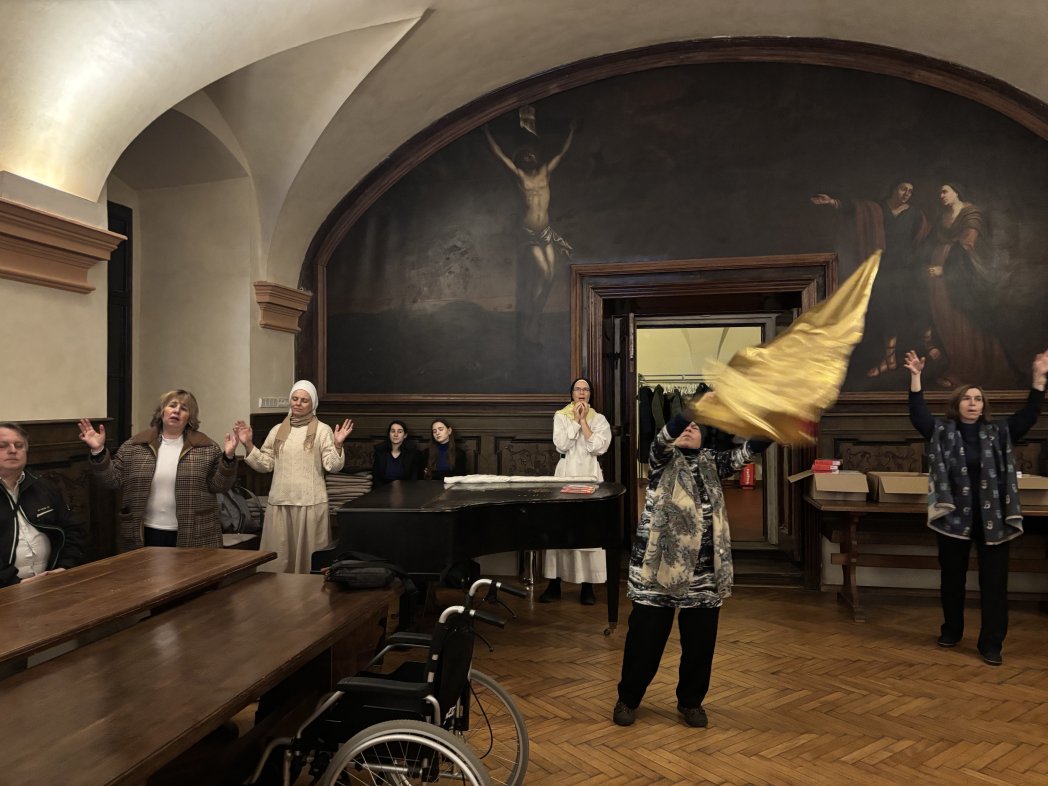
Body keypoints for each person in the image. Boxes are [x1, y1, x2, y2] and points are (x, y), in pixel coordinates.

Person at [613, 404, 770, 728]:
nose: (688, 429)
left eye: (695, 427)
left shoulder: (714, 461)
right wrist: (693, 410)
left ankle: (691, 702)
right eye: (684, 426)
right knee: (644, 642)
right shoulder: (661, 459)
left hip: (704, 574)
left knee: (700, 645)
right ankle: (628, 698)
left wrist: (780, 424)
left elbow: (750, 449)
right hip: (658, 572)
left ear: (704, 438)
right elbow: (665, 435)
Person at [904, 348, 1046, 666]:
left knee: (994, 583)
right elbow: (918, 416)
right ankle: (952, 630)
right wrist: (916, 377)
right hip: (954, 517)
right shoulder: (943, 432)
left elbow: (1029, 415)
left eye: (978, 399)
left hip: (994, 518)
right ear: (957, 404)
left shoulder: (998, 432)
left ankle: (991, 644)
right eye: (967, 398)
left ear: (984, 406)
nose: (972, 403)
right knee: (952, 578)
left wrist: (1039, 380)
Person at [78, 390, 238, 550]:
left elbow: (219, 486)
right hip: (144, 531)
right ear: (162, 411)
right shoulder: (135, 445)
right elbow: (112, 480)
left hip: (194, 533)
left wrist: (229, 458)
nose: (176, 411)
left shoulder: (206, 447)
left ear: (190, 417)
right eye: (172, 405)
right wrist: (98, 451)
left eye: (184, 408)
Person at [811, 180, 931, 379]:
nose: (907, 193)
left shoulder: (915, 214)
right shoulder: (877, 209)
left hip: (906, 270)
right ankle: (888, 359)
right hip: (881, 267)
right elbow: (856, 210)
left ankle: (904, 355)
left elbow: (925, 238)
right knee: (882, 311)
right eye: (903, 189)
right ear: (894, 188)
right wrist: (833, 202)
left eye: (910, 191)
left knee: (906, 308)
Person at [234, 381, 352, 573]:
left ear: (313, 404)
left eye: (304, 400)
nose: (297, 403)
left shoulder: (322, 430)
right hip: (280, 503)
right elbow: (265, 464)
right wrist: (248, 444)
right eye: (295, 399)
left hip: (310, 504)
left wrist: (338, 445)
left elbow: (333, 465)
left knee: (309, 562)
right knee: (278, 563)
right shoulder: (277, 430)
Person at [484, 122, 575, 344]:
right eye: (524, 156)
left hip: (545, 231)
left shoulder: (545, 172)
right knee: (543, 271)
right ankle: (531, 319)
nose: (528, 158)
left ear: (536, 157)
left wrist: (572, 131)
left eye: (531, 155)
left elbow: (562, 153)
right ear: (520, 160)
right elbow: (499, 155)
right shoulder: (520, 176)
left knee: (550, 276)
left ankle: (535, 315)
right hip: (529, 233)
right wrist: (486, 132)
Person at [923, 182, 1014, 388]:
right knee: (948, 322)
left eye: (945, 191)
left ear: (957, 191)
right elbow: (929, 244)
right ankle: (957, 366)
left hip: (964, 277)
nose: (941, 195)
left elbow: (968, 246)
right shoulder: (943, 217)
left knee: (965, 321)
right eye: (939, 192)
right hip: (940, 280)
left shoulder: (972, 215)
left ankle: (972, 370)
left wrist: (944, 269)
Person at [540, 377, 612, 605]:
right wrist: (574, 420)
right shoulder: (560, 416)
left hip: (590, 473)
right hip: (566, 473)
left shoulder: (599, 419)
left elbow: (599, 447)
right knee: (560, 527)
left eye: (586, 389)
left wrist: (583, 421)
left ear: (590, 394)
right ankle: (554, 583)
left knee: (588, 528)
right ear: (571, 394)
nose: (582, 392)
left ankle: (587, 586)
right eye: (578, 389)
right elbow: (561, 445)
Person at [1, 422, 86, 587]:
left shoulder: (44, 487)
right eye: (2, 446)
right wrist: (14, 584)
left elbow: (73, 530)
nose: (13, 450)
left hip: (53, 581)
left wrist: (65, 567)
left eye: (19, 445)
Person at [372, 420, 420, 484]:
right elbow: (376, 478)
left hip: (406, 488)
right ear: (389, 434)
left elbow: (414, 479)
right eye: (393, 431)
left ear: (405, 435)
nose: (395, 434)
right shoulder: (380, 451)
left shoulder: (413, 453)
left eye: (399, 432)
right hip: (383, 488)